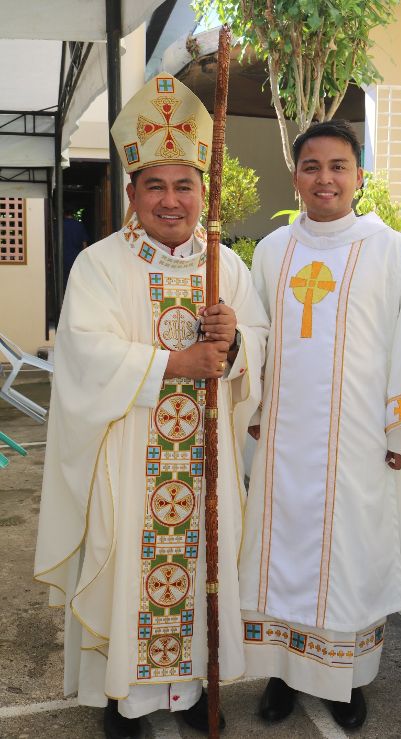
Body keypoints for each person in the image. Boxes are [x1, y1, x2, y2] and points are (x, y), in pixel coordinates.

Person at [35, 73, 268, 739]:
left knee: (202, 572)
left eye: (183, 184)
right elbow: (82, 353)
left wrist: (234, 343)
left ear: (203, 191)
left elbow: (259, 349)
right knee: (129, 566)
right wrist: (174, 363)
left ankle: (193, 687)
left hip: (205, 462)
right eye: (155, 186)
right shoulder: (102, 266)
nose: (171, 199)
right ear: (132, 193)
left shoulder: (228, 268)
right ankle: (125, 698)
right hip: (129, 461)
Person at [239, 120, 401, 730]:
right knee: (278, 559)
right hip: (284, 444)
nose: (325, 178)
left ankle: (346, 683)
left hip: (359, 445)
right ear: (296, 176)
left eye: (338, 166)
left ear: (359, 176)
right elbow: (257, 337)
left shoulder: (390, 252)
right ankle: (281, 675)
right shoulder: (273, 251)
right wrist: (251, 408)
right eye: (312, 167)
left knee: (352, 562)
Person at [63, 206, 89, 288]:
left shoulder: (60, 225)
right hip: (76, 257)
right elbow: (84, 243)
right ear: (73, 214)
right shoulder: (79, 225)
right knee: (75, 279)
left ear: (64, 214)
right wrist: (85, 258)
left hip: (62, 257)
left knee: (64, 280)